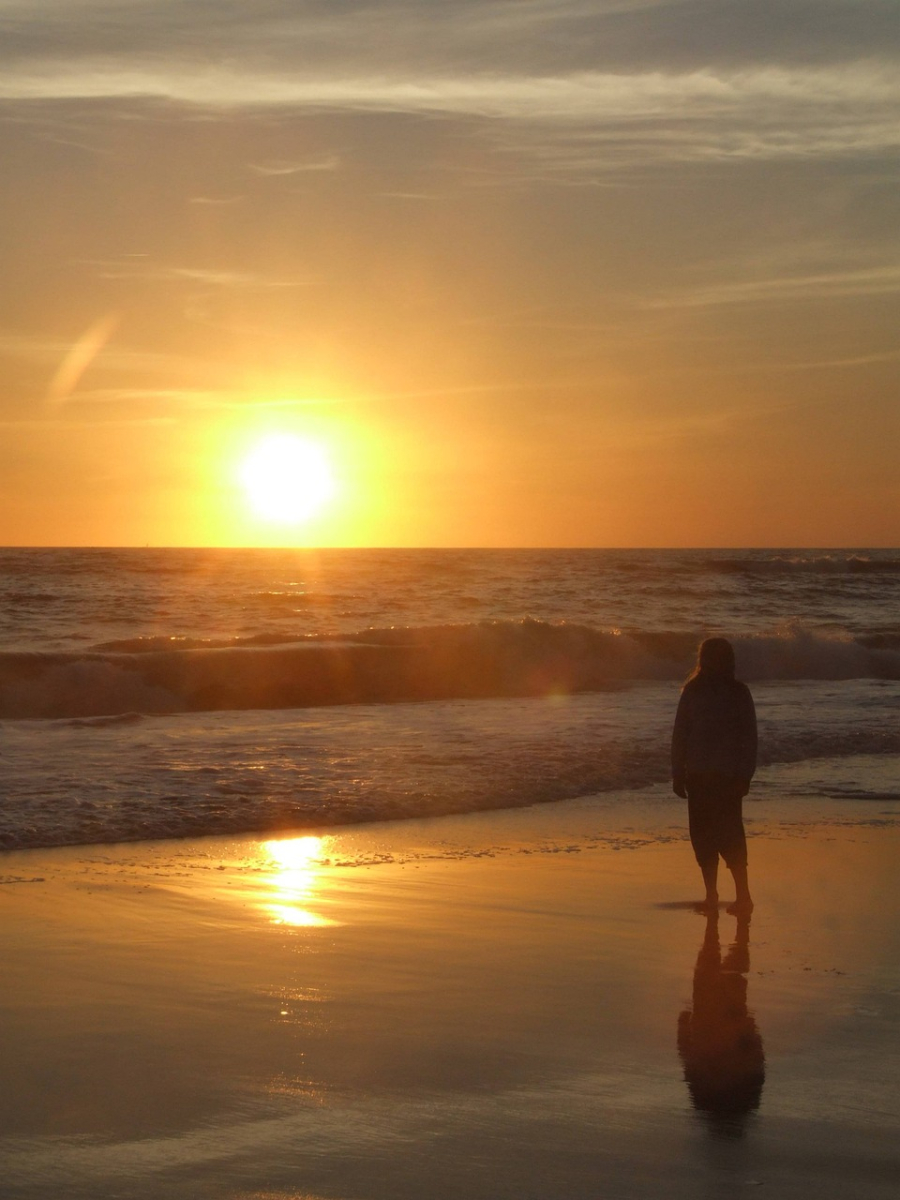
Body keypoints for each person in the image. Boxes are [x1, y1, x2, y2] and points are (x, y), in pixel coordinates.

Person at [671, 637, 757, 913]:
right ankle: (714, 896)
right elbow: (680, 735)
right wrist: (677, 772)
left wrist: (744, 775)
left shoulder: (736, 692)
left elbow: (749, 737)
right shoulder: (694, 691)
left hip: (724, 777)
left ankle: (742, 896)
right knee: (706, 838)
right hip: (702, 775)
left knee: (728, 836)